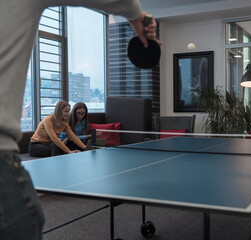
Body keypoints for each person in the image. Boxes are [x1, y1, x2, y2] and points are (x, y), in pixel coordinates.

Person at [0, 1, 158, 239]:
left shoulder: (65, 122)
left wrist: (86, 149)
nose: (71, 115)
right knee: (26, 221)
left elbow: (72, 135)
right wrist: (136, 16)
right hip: (33, 147)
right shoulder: (48, 121)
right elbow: (56, 140)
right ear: (62, 110)